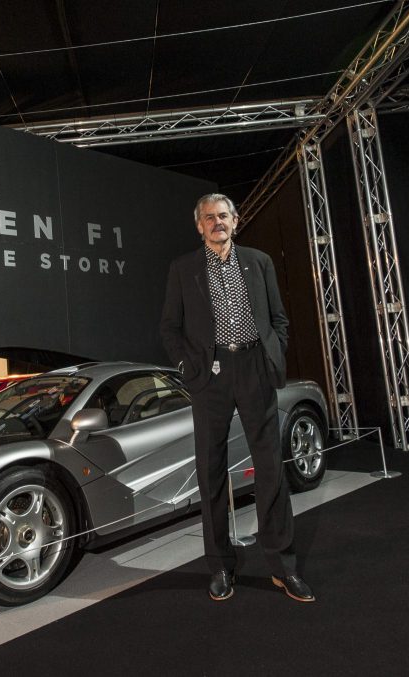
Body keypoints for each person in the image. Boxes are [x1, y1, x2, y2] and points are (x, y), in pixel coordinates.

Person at [159, 193, 315, 603]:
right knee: (211, 472)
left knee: (270, 469)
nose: (217, 222)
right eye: (209, 217)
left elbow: (279, 318)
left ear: (235, 220)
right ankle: (221, 567)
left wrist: (272, 354)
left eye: (223, 216)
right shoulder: (183, 268)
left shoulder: (259, 262)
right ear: (199, 225)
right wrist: (189, 367)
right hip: (209, 377)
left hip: (253, 369)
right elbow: (169, 328)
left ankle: (283, 567)